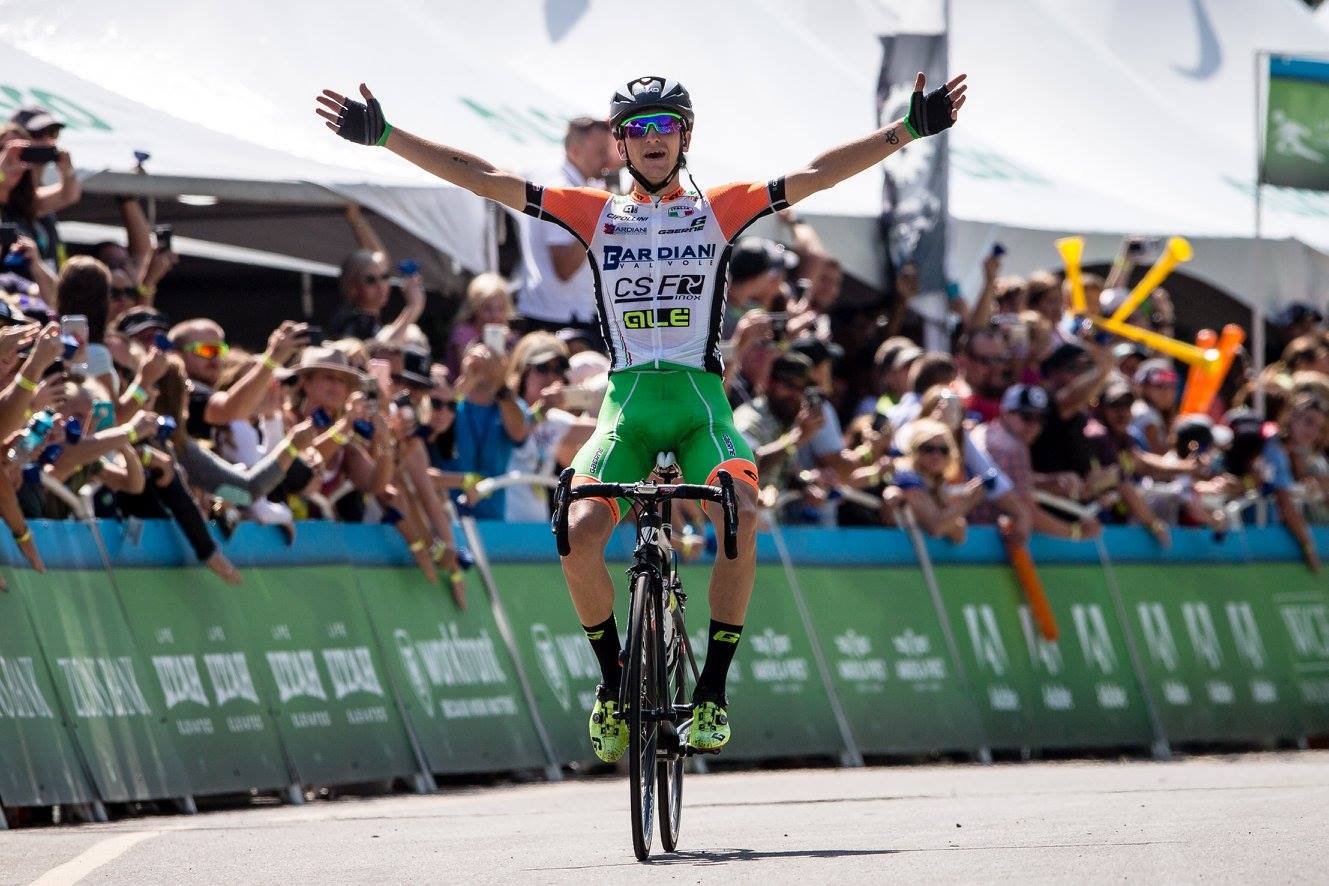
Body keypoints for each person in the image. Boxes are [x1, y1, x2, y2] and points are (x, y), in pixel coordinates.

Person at [316, 67, 968, 760]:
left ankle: (711, 692)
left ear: (684, 137)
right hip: (624, 412)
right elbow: (482, 177)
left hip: (697, 410)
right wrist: (386, 136)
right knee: (575, 533)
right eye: (638, 128)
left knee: (740, 513)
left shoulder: (718, 208)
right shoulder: (594, 213)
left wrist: (906, 130)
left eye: (665, 126)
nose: (653, 138)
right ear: (619, 144)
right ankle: (612, 684)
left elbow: (816, 172)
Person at [517, 117, 614, 339]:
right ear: (574, 150)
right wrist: (597, 216)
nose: (606, 159)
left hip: (558, 312)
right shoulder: (564, 190)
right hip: (557, 319)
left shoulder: (569, 183)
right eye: (600, 151)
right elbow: (564, 268)